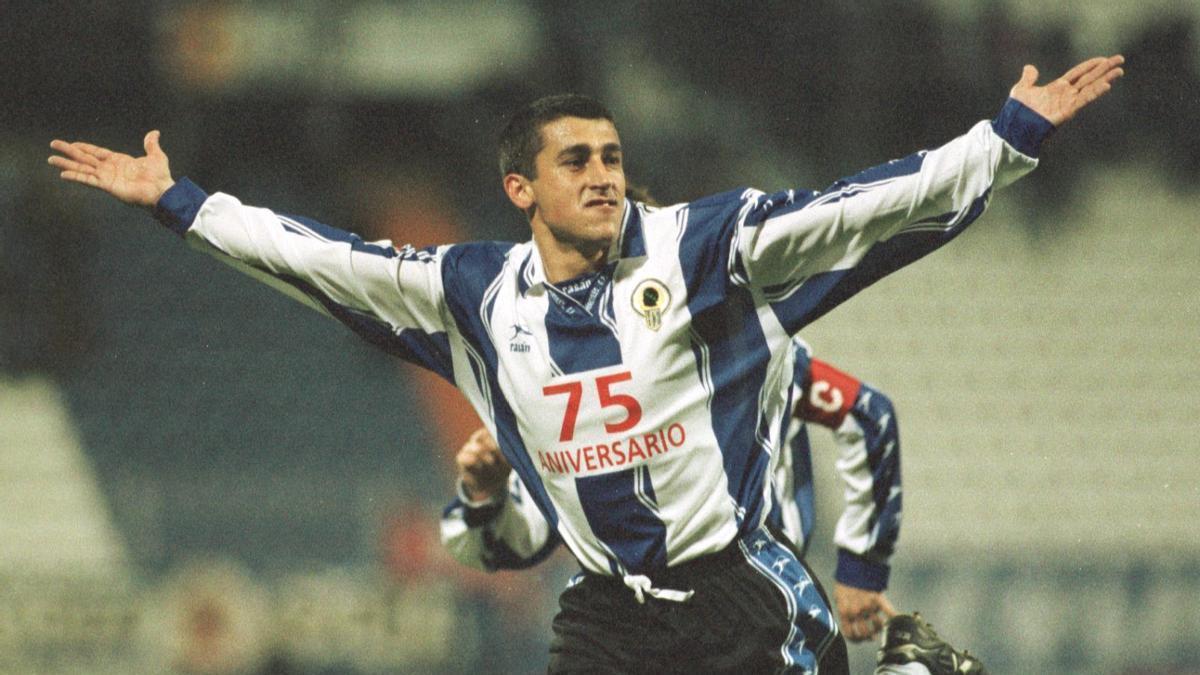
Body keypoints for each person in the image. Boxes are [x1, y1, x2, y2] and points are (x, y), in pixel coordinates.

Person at [48, 55, 1123, 674]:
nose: (605, 176)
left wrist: (1007, 138)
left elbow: (864, 206)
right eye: (578, 161)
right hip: (610, 611)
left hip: (747, 595)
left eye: (613, 156)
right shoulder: (473, 296)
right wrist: (184, 207)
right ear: (522, 189)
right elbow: (318, 257)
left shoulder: (702, 244)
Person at [440, 338, 985, 674]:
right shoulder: (574, 401)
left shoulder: (738, 345)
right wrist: (483, 495)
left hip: (749, 599)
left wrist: (862, 569)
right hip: (626, 618)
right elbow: (510, 541)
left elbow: (866, 412)